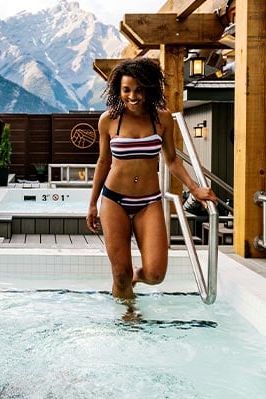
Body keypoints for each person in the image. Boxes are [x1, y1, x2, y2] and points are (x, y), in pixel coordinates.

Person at [86, 58, 217, 299]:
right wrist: (93, 203)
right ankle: (127, 316)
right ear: (119, 90)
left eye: (139, 90)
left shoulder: (162, 119)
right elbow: (103, 162)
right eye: (126, 90)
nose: (132, 96)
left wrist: (195, 188)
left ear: (149, 89)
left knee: (156, 274)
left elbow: (172, 161)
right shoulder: (109, 120)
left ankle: (134, 277)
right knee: (120, 273)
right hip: (114, 201)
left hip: (149, 202)